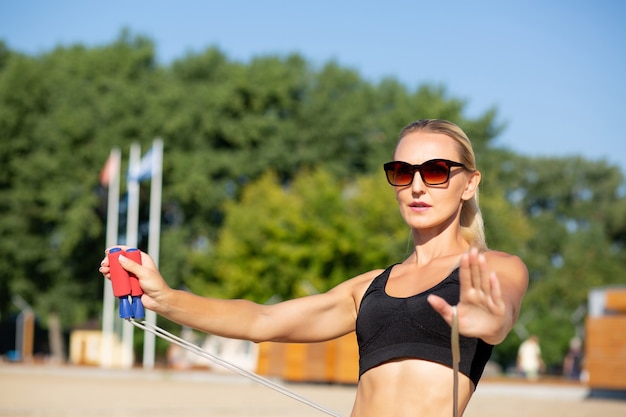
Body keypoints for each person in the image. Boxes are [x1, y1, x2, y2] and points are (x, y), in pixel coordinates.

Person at [99, 119, 529, 417]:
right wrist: (166, 298)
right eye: (402, 171)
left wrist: (490, 322)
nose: (416, 185)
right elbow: (261, 319)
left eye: (436, 171)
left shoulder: (493, 268)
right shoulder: (370, 288)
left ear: (469, 182)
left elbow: (501, 313)